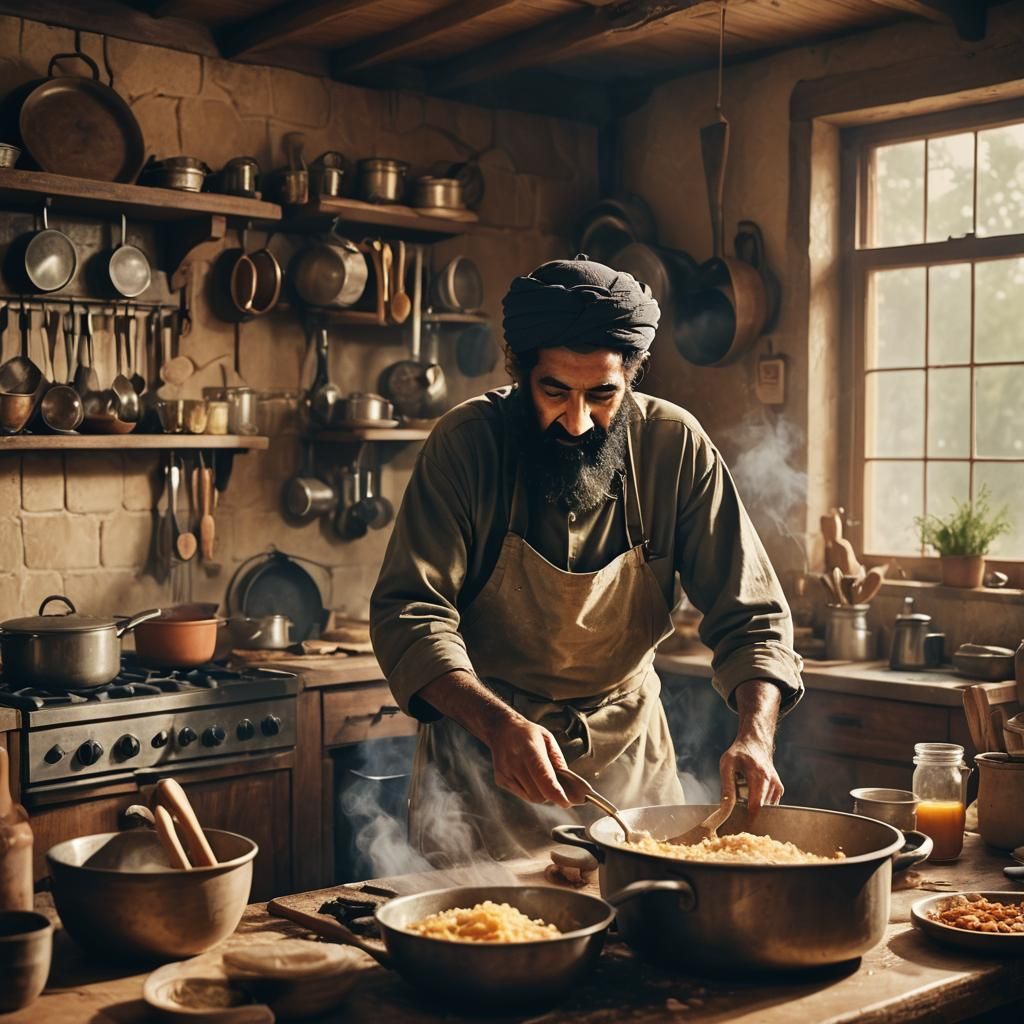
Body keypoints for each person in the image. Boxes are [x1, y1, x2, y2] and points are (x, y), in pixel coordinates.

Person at [370, 256, 803, 861]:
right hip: (485, 762)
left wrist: (755, 736)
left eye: (602, 395)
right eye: (554, 392)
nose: (577, 422)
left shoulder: (674, 446)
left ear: (631, 378)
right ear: (521, 375)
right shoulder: (465, 444)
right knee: (485, 937)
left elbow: (752, 617)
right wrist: (498, 727)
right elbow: (410, 614)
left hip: (632, 768)